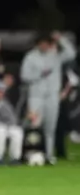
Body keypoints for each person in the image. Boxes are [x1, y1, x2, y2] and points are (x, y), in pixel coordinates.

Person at [21, 33, 75, 166]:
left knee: (50, 128)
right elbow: (24, 76)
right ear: (38, 44)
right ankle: (31, 153)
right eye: (42, 43)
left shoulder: (55, 56)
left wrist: (61, 39)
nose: (44, 45)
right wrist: (40, 74)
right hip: (36, 96)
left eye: (47, 43)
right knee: (34, 126)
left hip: (52, 96)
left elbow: (71, 53)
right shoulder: (30, 57)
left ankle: (49, 155)